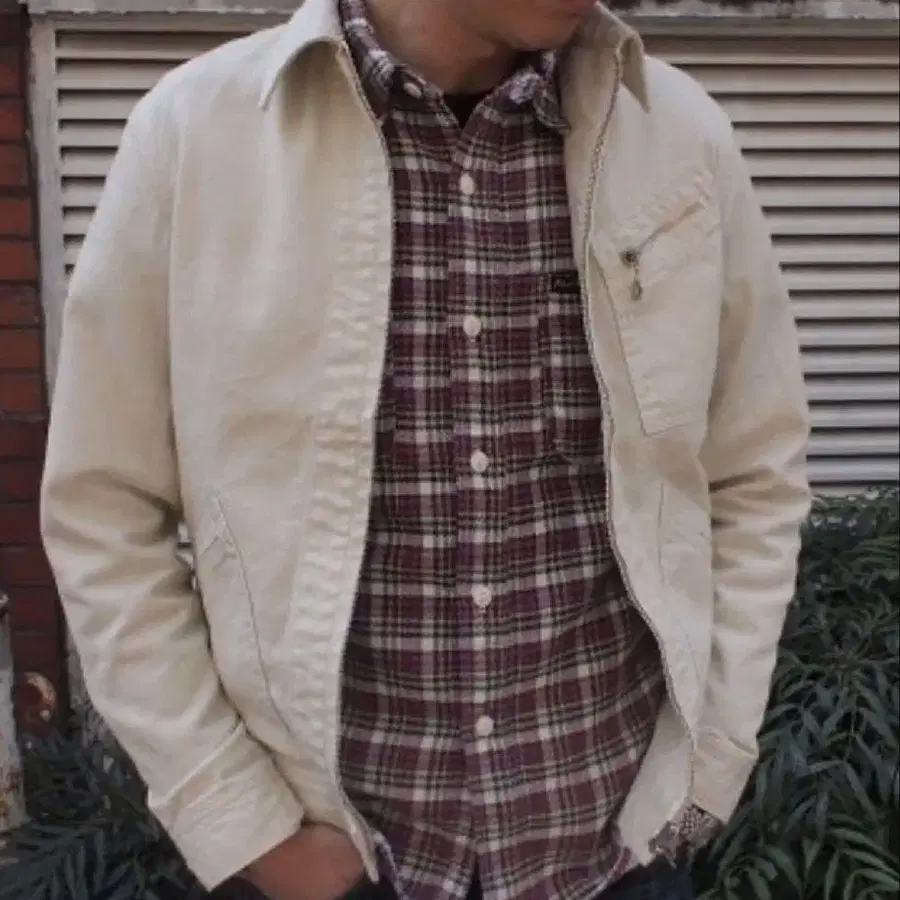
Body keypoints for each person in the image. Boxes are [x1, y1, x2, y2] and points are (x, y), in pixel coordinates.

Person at [40, 0, 812, 898]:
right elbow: (104, 508)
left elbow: (754, 468)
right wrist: (245, 826)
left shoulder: (676, 135)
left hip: (616, 852)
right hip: (332, 858)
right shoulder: (197, 133)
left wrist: (706, 769)